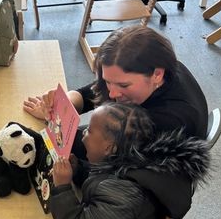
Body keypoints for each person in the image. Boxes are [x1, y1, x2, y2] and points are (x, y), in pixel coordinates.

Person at [24, 25, 208, 184]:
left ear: (157, 75)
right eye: (108, 81)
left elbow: (103, 159)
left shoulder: (169, 120)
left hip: (133, 185)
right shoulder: (158, 71)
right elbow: (93, 92)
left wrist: (57, 124)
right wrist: (64, 104)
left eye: (123, 85)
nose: (112, 93)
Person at [49, 102, 210, 219]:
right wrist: (78, 171)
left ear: (109, 148)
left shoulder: (125, 195)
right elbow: (101, 180)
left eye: (89, 131)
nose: (83, 134)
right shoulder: (128, 161)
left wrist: (62, 188)